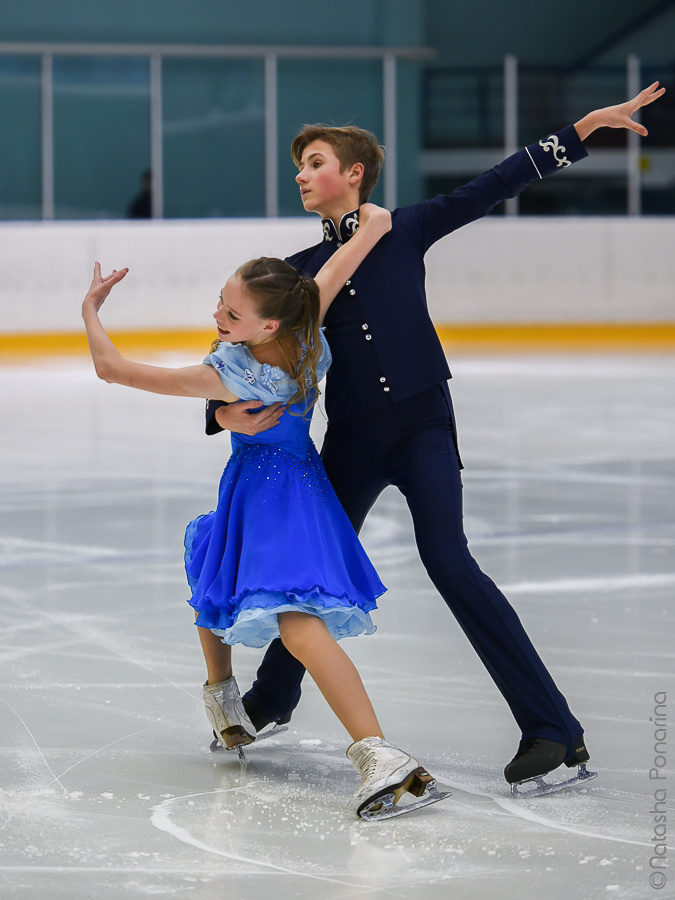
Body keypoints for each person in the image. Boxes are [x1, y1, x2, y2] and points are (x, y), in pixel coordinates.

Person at [206, 82, 666, 793]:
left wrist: (583, 129)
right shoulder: (296, 273)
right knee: (307, 567)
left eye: (315, 161)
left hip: (421, 425)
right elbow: (238, 353)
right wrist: (215, 414)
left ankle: (552, 729)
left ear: (353, 174)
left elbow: (494, 183)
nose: (300, 173)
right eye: (298, 164)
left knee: (449, 562)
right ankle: (271, 698)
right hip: (351, 440)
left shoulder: (407, 227)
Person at [81, 204, 448, 821]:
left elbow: (112, 369)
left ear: (264, 321)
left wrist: (90, 310)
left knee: (297, 623)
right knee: (209, 560)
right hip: (301, 487)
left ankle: (380, 754)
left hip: (269, 496)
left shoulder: (229, 373)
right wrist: (377, 228)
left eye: (231, 313)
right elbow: (336, 267)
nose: (217, 318)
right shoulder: (305, 332)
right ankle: (225, 701)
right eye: (219, 303)